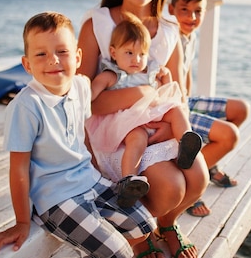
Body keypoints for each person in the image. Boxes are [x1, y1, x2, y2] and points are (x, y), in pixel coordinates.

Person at [0, 12, 157, 258]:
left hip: (88, 178)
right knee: (120, 253)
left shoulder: (82, 85)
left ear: (77, 57)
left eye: (62, 52)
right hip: (55, 197)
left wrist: (98, 171)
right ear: (27, 64)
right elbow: (18, 168)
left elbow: (82, 133)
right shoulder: (26, 106)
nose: (53, 60)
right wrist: (22, 221)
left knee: (145, 225)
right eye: (41, 54)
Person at [78, 0, 208, 258]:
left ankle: (167, 224)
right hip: (119, 129)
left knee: (198, 179)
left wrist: (169, 127)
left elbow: (177, 88)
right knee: (172, 186)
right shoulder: (98, 23)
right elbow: (84, 99)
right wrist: (141, 94)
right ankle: (139, 235)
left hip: (162, 123)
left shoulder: (169, 29)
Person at [87, 13, 203, 208]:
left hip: (151, 113)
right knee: (137, 139)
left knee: (176, 111)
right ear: (114, 53)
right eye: (129, 53)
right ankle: (128, 180)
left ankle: (186, 143)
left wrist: (165, 77)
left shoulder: (150, 72)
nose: (136, 59)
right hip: (128, 120)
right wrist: (88, 93)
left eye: (142, 54)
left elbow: (168, 88)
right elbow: (91, 93)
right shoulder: (113, 74)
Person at [168, 0, 251, 218]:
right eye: (184, 9)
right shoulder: (169, 36)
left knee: (240, 109)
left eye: (197, 11)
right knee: (228, 136)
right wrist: (184, 111)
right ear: (172, 9)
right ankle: (191, 182)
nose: (191, 17)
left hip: (187, 100)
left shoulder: (190, 36)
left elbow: (187, 74)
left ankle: (208, 162)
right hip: (174, 108)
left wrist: (191, 99)